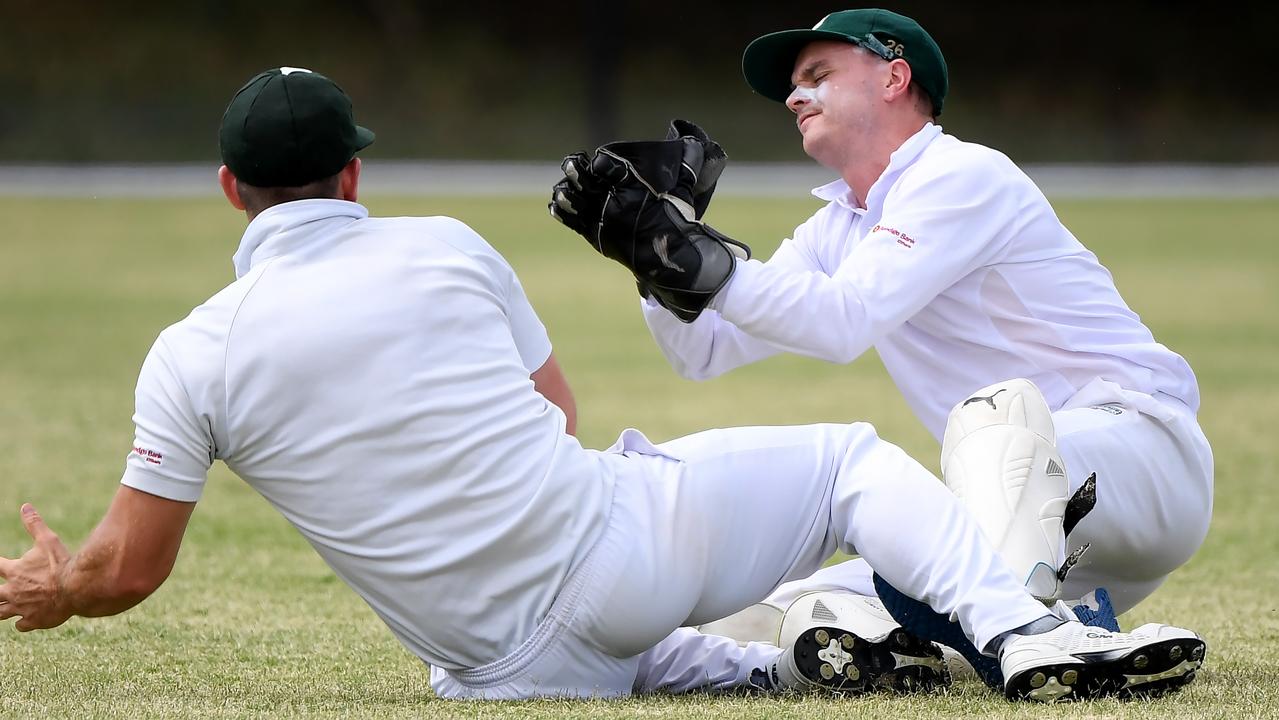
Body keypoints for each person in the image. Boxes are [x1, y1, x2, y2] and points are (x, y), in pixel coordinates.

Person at [0, 67, 1204, 704]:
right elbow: (560, 416)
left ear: (227, 189)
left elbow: (129, 570)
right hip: (613, 567)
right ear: (354, 172)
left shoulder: (189, 351)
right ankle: (1015, 632)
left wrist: (60, 592)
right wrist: (661, 246)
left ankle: (803, 658)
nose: (793, 90)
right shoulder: (446, 247)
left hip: (493, 670)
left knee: (686, 628)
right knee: (846, 461)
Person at [549, 7, 1213, 690]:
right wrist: (652, 260)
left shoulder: (961, 175)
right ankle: (1036, 638)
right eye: (793, 84)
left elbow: (843, 320)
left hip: (1137, 459)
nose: (793, 94)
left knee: (995, 420)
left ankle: (1039, 642)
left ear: (894, 76)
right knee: (773, 612)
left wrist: (685, 251)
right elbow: (704, 351)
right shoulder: (837, 225)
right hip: (1033, 523)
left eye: (817, 74)